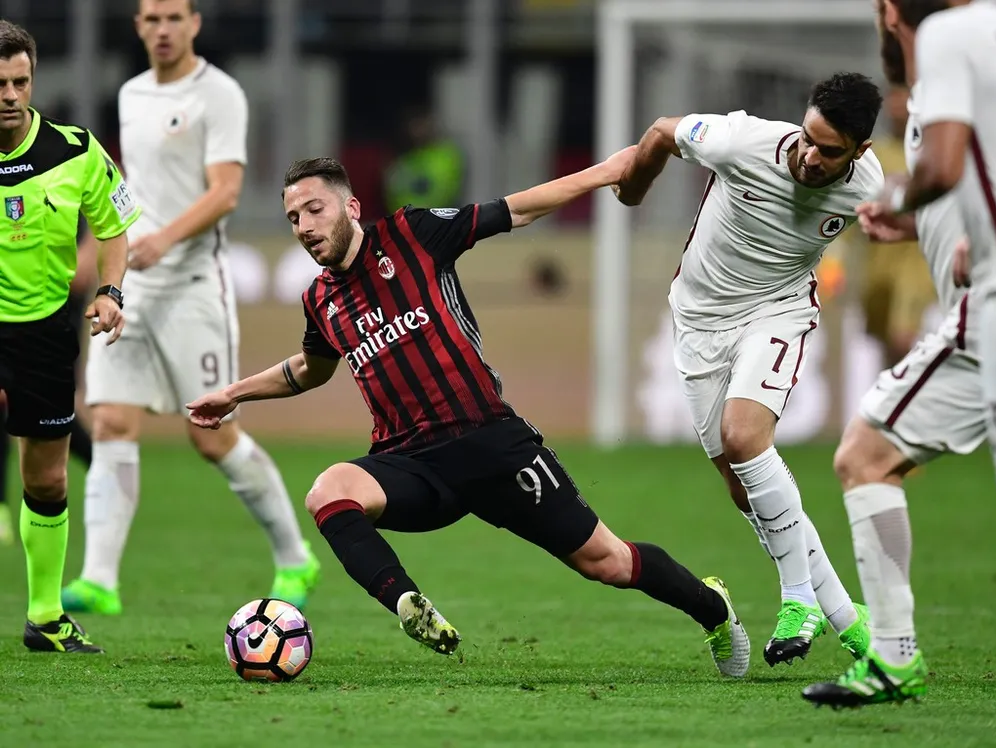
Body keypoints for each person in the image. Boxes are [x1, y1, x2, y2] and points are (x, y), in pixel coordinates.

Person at [187, 155, 753, 678]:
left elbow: (519, 209)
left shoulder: (414, 234)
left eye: (315, 209)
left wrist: (607, 172)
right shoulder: (320, 299)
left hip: (491, 443)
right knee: (329, 490)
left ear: (350, 207)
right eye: (292, 218)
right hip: (411, 463)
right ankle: (409, 605)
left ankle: (713, 608)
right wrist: (236, 393)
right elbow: (311, 369)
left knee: (606, 562)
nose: (304, 226)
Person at [612, 73, 884, 667]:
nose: (810, 157)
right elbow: (661, 132)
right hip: (698, 321)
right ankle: (848, 616)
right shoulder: (739, 142)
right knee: (745, 489)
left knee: (744, 437)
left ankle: (796, 599)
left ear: (860, 151)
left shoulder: (867, 186)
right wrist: (635, 186)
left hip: (777, 311)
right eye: (808, 138)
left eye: (829, 150)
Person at [62, 0, 319, 617]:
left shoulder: (220, 94)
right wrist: (105, 252)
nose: (163, 29)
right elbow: (128, 192)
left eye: (174, 17)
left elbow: (226, 191)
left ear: (195, 23)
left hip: (194, 287)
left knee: (211, 435)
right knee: (112, 422)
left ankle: (294, 557)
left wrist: (164, 239)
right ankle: (100, 578)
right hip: (134, 285)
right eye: (151, 19)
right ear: (138, 27)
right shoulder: (129, 94)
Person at [804, 0, 996, 708]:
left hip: (989, 316)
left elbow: (944, 167)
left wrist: (896, 197)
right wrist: (927, 226)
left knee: (865, 454)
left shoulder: (952, 40)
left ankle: (893, 656)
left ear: (892, 11)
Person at [0, 20, 136, 653]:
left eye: (19, 81)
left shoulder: (76, 149)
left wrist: (110, 292)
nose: (9, 94)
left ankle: (45, 616)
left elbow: (114, 228)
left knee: (47, 481)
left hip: (46, 331)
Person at [0, 228, 97, 546]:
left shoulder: (83, 179)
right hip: (14, 290)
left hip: (56, 294)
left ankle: (102, 464)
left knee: (48, 411)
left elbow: (111, 197)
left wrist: (89, 251)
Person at [858, 85, 938, 367]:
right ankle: (893, 404)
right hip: (880, 265)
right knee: (887, 349)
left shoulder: (933, 156)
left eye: (903, 98)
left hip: (918, 264)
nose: (896, 105)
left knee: (903, 338)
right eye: (892, 98)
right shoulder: (872, 155)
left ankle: (907, 402)